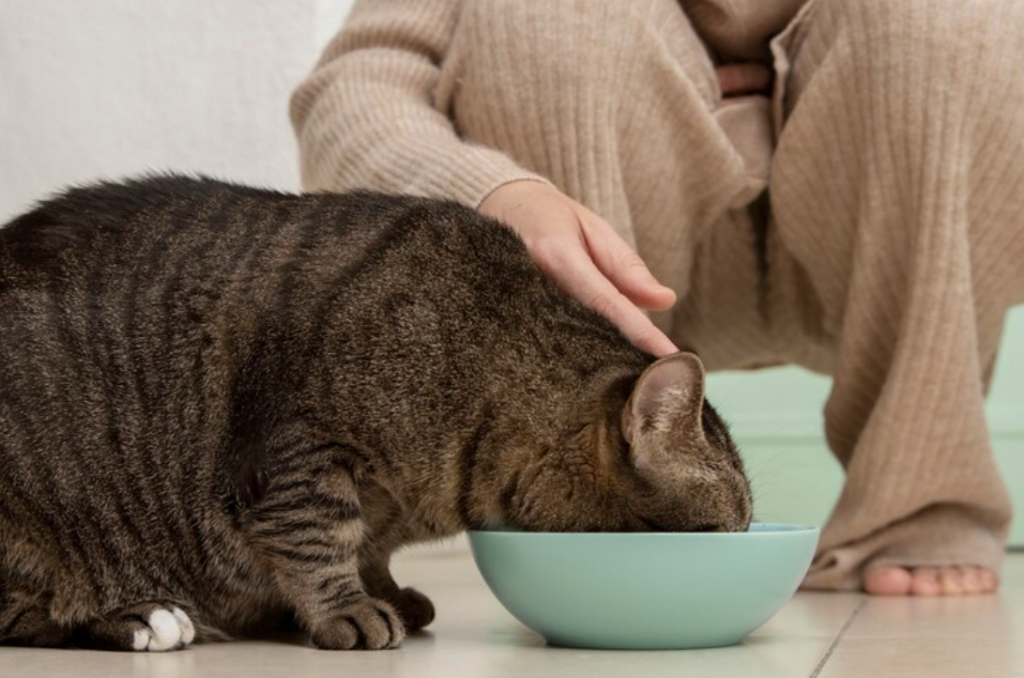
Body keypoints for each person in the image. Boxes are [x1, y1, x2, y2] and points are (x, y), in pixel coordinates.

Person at [289, 0, 1024, 596]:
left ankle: (921, 496)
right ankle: (579, 495)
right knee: (549, 16)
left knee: (945, 18)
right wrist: (493, 194)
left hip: (898, 249)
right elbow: (354, 89)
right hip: (590, 259)